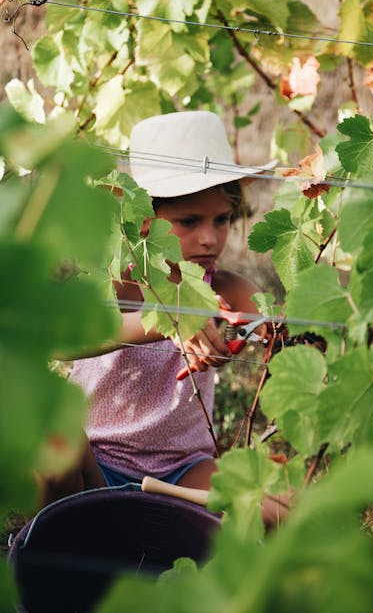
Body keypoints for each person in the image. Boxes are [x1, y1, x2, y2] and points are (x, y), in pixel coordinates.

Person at [41, 111, 276, 506]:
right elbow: (64, 341)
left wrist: (233, 335)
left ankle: (127, 527)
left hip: (184, 468)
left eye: (221, 220)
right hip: (97, 460)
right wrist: (168, 320)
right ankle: (66, 538)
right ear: (145, 221)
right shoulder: (117, 283)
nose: (210, 238)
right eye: (189, 221)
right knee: (50, 459)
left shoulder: (226, 290)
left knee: (272, 505)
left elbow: (268, 329)